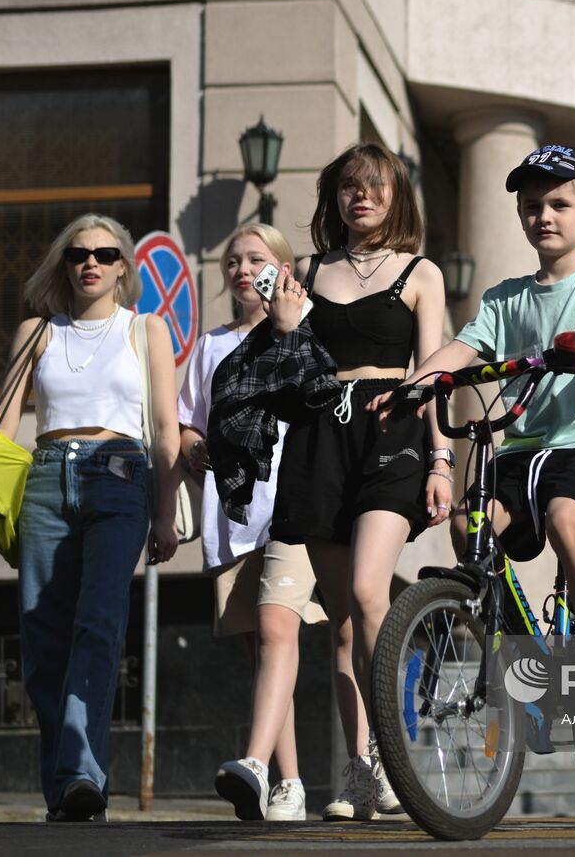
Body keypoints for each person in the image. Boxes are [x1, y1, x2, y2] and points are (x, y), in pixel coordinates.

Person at [375, 144, 575, 682]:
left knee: (565, 520)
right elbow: (464, 348)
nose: (543, 216)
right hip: (523, 449)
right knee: (467, 527)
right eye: (530, 206)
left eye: (558, 204)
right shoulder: (506, 298)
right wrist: (413, 384)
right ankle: (524, 651)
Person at [0, 213, 180, 821]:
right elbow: (4, 418)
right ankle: (68, 795)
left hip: (120, 478)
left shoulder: (147, 330)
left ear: (123, 267)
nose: (91, 263)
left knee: (98, 624)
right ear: (64, 263)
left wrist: (165, 513)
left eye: (105, 255)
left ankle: (82, 769)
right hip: (46, 481)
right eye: (79, 254)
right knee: (43, 642)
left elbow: (164, 429)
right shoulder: (37, 331)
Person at [265, 143, 450, 821]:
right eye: (349, 186)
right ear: (334, 196)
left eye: (374, 186)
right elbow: (285, 379)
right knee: (342, 621)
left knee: (374, 592)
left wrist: (441, 461)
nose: (361, 196)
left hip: (393, 431)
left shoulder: (421, 273)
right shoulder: (307, 272)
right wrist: (286, 329)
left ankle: (394, 757)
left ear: (396, 196)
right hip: (320, 437)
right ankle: (359, 767)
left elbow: (433, 375)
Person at [176, 223, 328, 821]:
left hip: (290, 508)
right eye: (233, 260)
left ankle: (277, 774)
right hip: (231, 515)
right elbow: (189, 421)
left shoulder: (301, 328)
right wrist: (192, 450)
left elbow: (322, 395)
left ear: (282, 269)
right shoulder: (211, 346)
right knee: (260, 654)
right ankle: (284, 782)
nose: (243, 269)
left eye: (256, 259)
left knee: (276, 635)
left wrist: (292, 322)